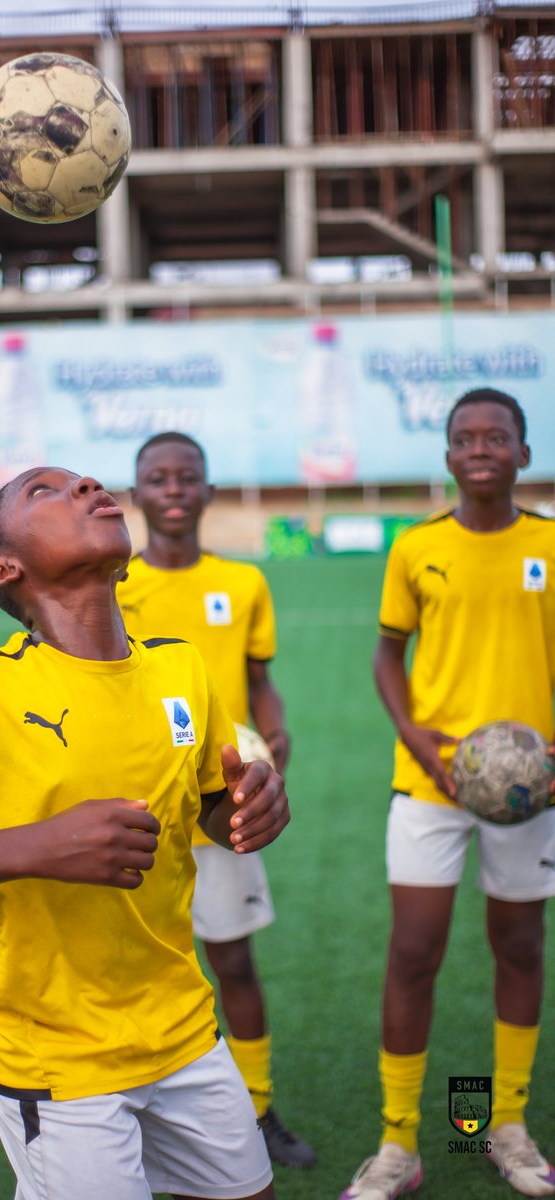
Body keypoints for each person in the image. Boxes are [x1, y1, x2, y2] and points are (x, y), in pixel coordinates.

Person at [0, 466, 291, 1200]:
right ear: (4, 568)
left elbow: (209, 810)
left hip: (183, 1029)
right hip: (54, 1059)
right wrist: (39, 846)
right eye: (44, 491)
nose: (86, 486)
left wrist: (249, 811)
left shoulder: (180, 668)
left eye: (85, 482)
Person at [339, 388, 555, 1200]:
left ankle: (506, 1125)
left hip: (530, 791)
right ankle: (399, 1145)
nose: (479, 448)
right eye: (463, 437)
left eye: (496, 436)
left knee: (522, 947)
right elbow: (386, 653)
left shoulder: (550, 543)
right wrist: (415, 737)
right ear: (447, 456)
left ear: (523, 454)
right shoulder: (416, 548)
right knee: (414, 951)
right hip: (429, 783)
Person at [117, 431, 315, 1170]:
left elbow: (259, 677)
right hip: (139, 808)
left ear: (208, 490)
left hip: (223, 803)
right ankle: (128, 1113)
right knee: (134, 966)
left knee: (232, 961)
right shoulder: (116, 586)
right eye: (157, 478)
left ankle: (259, 1109)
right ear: (137, 494)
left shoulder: (244, 582)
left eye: (187, 476)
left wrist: (275, 726)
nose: (173, 488)